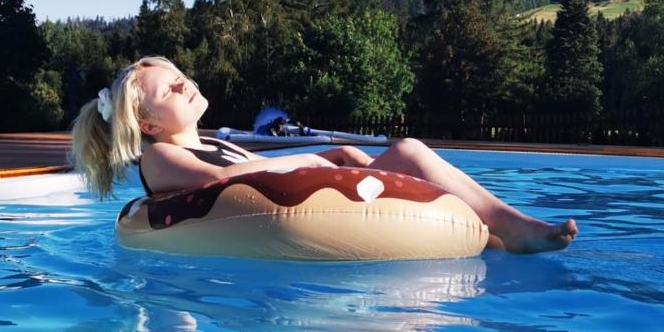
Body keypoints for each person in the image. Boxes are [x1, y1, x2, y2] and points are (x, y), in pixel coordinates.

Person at [71, 56, 577, 254]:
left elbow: (247, 161)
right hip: (265, 222)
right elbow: (223, 180)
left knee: (405, 151)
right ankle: (513, 228)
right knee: (405, 149)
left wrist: (329, 155)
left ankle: (502, 224)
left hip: (298, 202)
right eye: (171, 88)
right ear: (148, 124)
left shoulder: (216, 140)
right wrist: (316, 162)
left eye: (181, 76)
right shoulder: (159, 158)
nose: (186, 84)